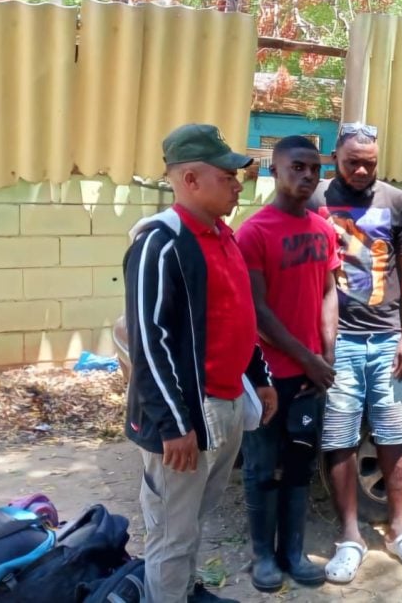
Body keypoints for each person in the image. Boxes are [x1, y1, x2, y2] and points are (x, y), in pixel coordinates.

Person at [122, 123, 277, 603]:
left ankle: (185, 592)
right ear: (190, 180)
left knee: (192, 520)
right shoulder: (160, 243)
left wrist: (260, 377)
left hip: (226, 403)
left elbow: (239, 316)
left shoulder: (223, 237)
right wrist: (174, 425)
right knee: (171, 531)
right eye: (227, 176)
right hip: (187, 414)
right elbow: (149, 343)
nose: (238, 185)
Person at [316, 123, 402, 580]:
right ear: (335, 157)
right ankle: (350, 537)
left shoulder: (398, 203)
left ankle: (400, 530)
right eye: (352, 163)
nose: (362, 171)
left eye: (370, 163)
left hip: (388, 339)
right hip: (337, 342)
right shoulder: (315, 199)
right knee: (340, 437)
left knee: (396, 435)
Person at [236, 136, 338, 591]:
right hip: (267, 375)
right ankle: (262, 556)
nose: (308, 176)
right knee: (261, 467)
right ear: (274, 170)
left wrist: (326, 354)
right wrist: (308, 358)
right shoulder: (253, 232)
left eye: (315, 168)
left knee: (300, 463)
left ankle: (292, 553)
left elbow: (329, 292)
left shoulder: (322, 229)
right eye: (297, 167)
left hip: (310, 374)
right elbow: (258, 311)